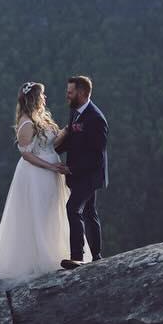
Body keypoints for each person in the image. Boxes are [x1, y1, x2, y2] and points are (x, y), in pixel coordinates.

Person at [0, 82, 86, 287]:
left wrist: (68, 130)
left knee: (51, 213)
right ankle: (39, 258)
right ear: (34, 98)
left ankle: (56, 252)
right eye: (42, 95)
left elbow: (50, 144)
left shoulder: (41, 118)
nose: (45, 98)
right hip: (37, 175)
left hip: (50, 173)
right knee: (38, 214)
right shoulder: (26, 123)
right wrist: (51, 167)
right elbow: (27, 155)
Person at [56, 74, 107, 269]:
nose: (67, 96)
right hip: (78, 174)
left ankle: (77, 256)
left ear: (83, 93)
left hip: (90, 174)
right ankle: (96, 256)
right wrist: (50, 152)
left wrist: (71, 168)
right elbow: (71, 141)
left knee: (73, 208)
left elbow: (97, 155)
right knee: (89, 211)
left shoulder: (96, 119)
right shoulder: (76, 113)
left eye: (70, 92)